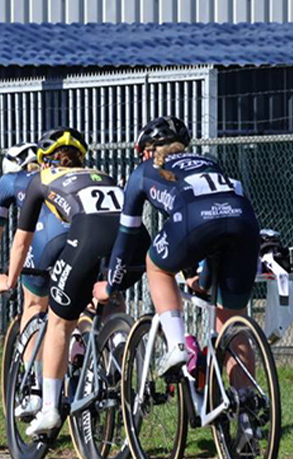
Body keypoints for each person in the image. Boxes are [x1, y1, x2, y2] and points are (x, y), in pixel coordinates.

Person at [94, 117, 260, 413]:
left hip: (195, 221)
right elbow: (218, 220)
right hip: (244, 222)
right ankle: (246, 418)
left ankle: (176, 346)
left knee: (155, 265)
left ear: (146, 151)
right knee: (233, 323)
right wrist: (199, 278)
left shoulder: (144, 171)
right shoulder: (208, 161)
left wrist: (111, 284)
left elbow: (126, 237)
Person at [0, 127, 148, 435]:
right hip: (133, 245)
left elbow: (21, 243)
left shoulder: (42, 179)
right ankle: (121, 349)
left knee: (58, 322)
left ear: (45, 161)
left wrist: (9, 280)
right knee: (109, 298)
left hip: (88, 239)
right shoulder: (100, 174)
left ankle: (50, 408)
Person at [0, 143, 71, 417]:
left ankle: (36, 391)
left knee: (34, 306)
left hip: (44, 245)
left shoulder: (9, 182)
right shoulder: (59, 175)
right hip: (82, 241)